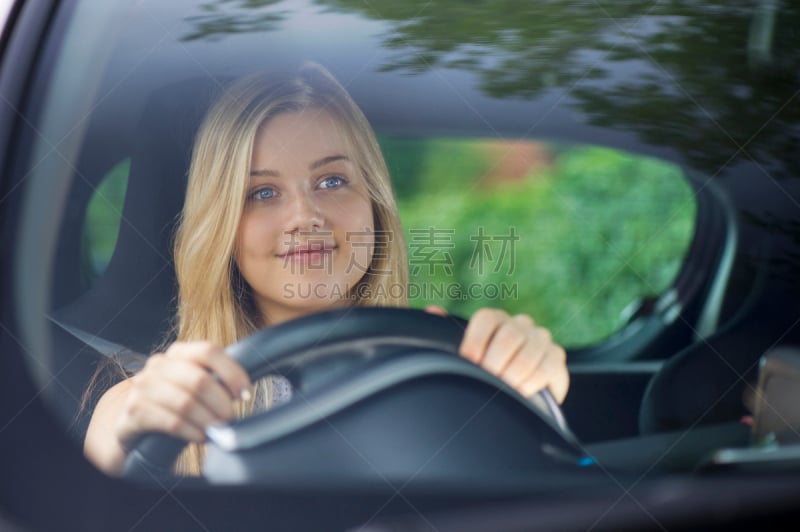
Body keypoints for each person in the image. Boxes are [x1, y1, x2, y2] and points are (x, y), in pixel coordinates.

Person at [83, 62, 570, 476]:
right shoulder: (138, 408)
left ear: (376, 208)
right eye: (263, 193)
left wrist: (528, 390)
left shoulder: (451, 378)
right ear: (223, 230)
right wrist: (122, 433)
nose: (305, 218)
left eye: (332, 180)